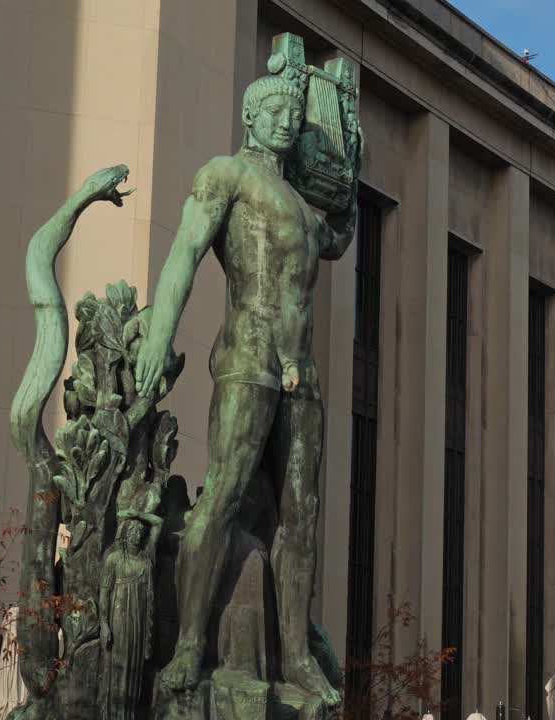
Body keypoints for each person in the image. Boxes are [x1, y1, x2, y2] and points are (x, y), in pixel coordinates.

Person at [134, 72, 357, 705]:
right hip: (247, 357)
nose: (286, 120)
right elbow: (185, 250)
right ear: (249, 115)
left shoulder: (304, 206)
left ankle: (294, 654)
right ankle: (188, 646)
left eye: (293, 111)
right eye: (273, 109)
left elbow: (338, 237)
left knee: (301, 517)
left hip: (300, 371)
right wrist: (158, 335)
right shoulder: (226, 175)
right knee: (223, 496)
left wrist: (350, 163)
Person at [99, 515, 159, 719]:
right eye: (132, 532)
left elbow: (150, 599)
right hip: (118, 620)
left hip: (138, 622)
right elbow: (104, 593)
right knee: (117, 668)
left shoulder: (146, 563)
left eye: (140, 533)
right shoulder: (114, 559)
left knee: (134, 670)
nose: (136, 536)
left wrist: (148, 636)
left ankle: (130, 715)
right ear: (126, 534)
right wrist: (104, 624)